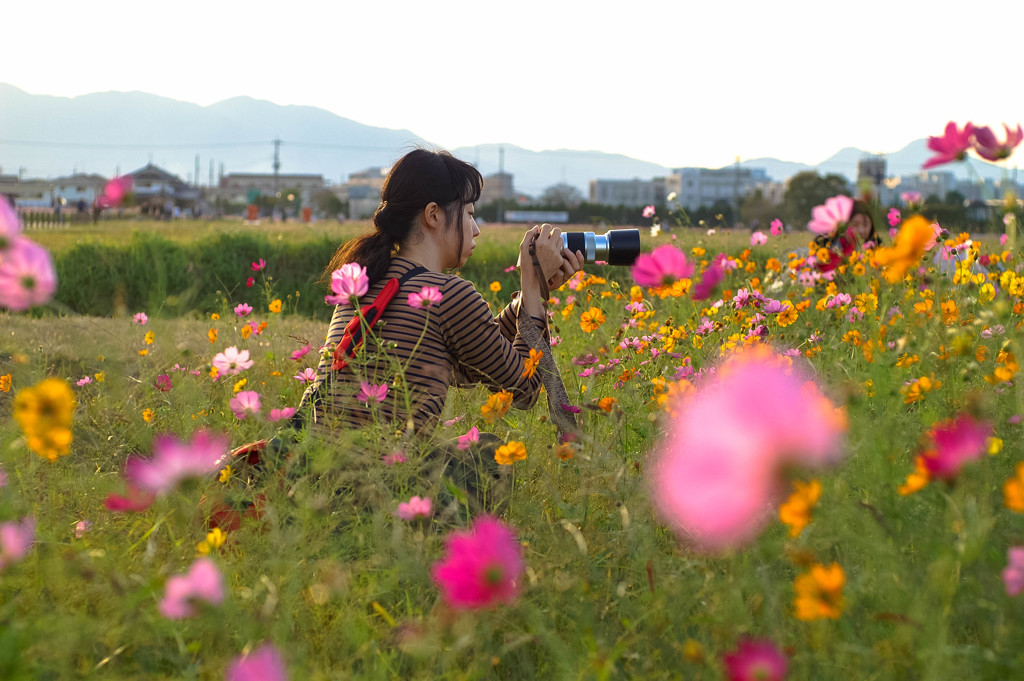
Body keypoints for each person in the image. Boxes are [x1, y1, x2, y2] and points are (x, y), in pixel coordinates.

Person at [291, 150, 583, 509]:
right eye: (470, 214)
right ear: (433, 215)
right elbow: (523, 388)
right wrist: (533, 288)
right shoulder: (449, 293)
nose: (476, 230)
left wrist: (531, 294)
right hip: (381, 491)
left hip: (313, 477)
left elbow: (478, 352)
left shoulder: (364, 283)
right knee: (488, 453)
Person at [814, 199, 881, 274]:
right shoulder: (825, 248)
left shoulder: (877, 251)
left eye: (866, 224)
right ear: (843, 225)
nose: (861, 230)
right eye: (855, 224)